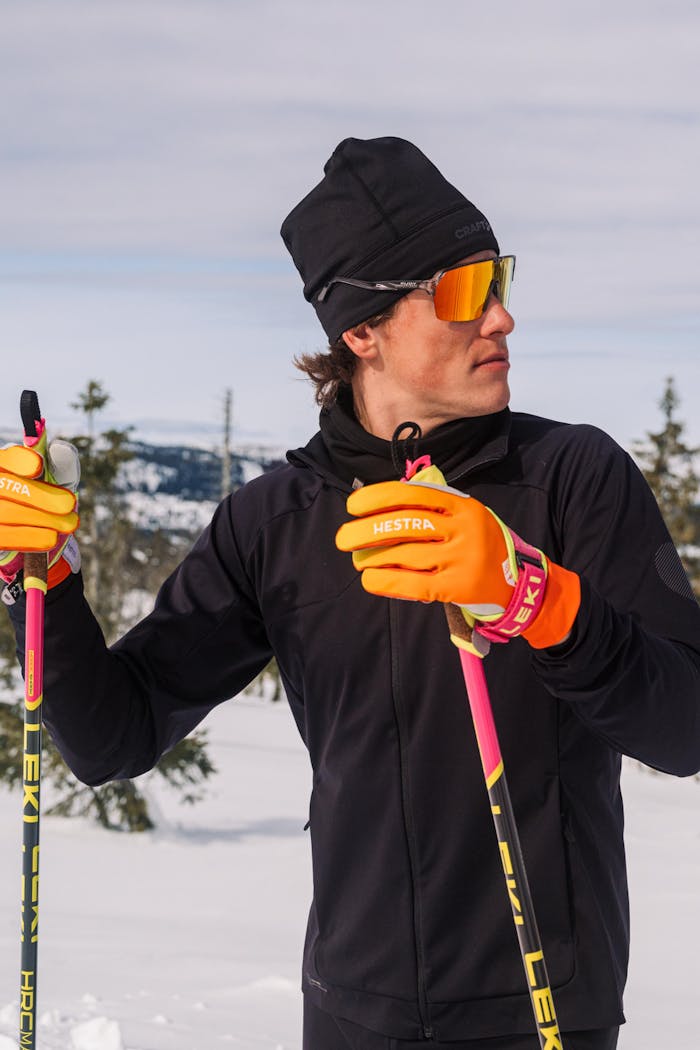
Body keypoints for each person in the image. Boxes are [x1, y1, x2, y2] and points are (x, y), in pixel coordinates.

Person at [1, 136, 699, 1050]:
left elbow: (684, 727)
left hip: (541, 1004)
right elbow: (111, 736)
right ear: (360, 331)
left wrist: (535, 601)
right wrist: (41, 582)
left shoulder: (570, 477)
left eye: (499, 280)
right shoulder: (273, 522)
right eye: (459, 291)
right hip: (350, 1010)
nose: (500, 319)